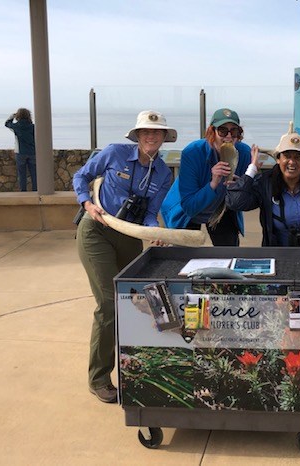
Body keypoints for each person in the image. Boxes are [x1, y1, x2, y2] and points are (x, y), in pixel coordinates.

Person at [73, 110, 175, 403]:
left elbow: (150, 214)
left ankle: (134, 371)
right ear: (137, 135)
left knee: (133, 303)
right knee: (108, 304)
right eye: (145, 132)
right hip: (96, 231)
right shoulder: (115, 153)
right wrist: (87, 204)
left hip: (129, 236)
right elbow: (82, 176)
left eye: (156, 133)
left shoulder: (164, 174)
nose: (151, 137)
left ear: (164, 138)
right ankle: (99, 378)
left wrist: (156, 232)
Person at [160, 108, 251, 246]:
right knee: (184, 256)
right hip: (186, 209)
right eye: (222, 130)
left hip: (220, 208)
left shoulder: (243, 153)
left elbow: (242, 202)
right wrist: (213, 183)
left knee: (229, 253)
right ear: (212, 132)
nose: (228, 136)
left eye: (234, 131)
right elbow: (189, 207)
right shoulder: (193, 152)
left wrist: (243, 186)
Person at [4, 108, 37, 191]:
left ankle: (23, 191)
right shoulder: (33, 127)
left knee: (22, 174)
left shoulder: (16, 127)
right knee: (34, 174)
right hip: (32, 152)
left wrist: (12, 116)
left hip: (20, 152)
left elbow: (7, 124)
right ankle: (35, 190)